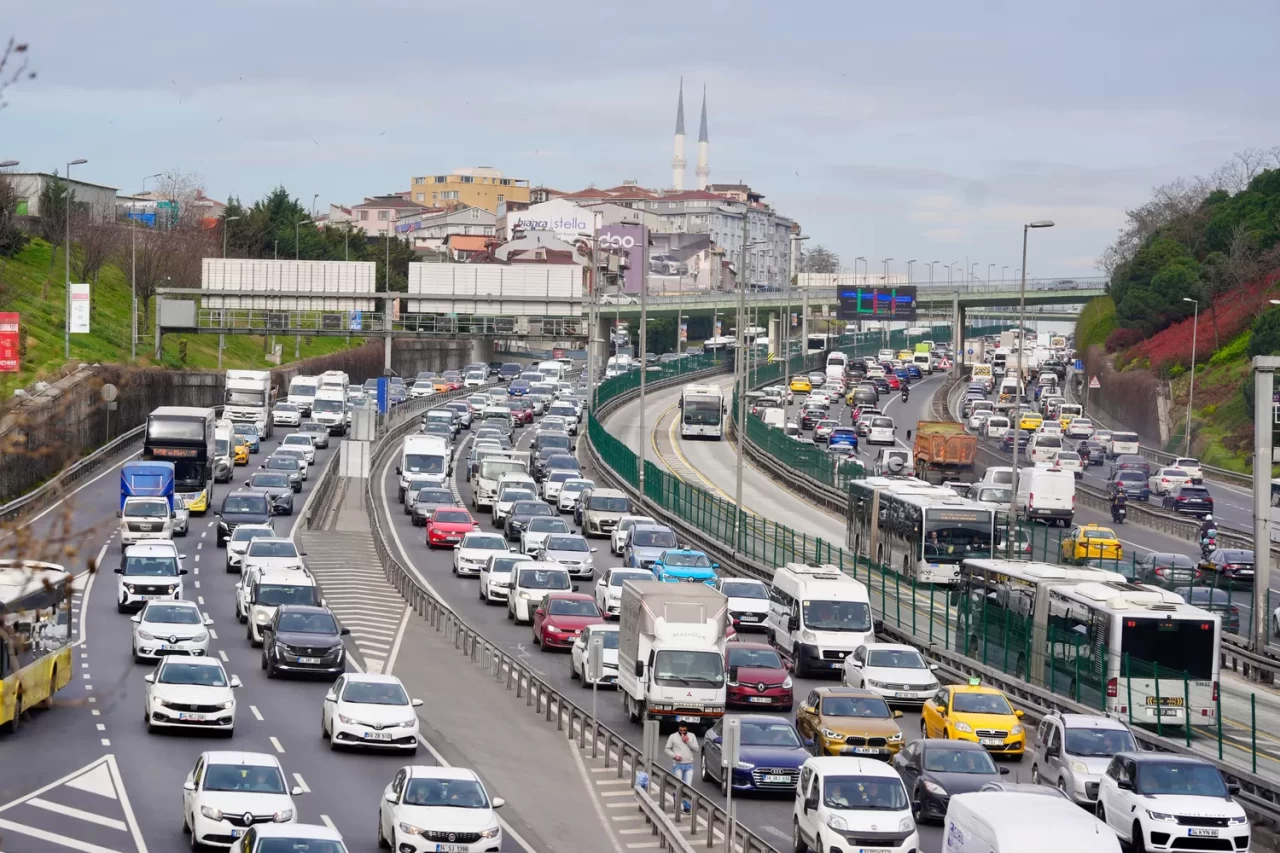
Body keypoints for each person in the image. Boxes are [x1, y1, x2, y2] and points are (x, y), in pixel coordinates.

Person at [664, 723, 700, 813]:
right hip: (678, 765)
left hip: (689, 765)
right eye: (680, 730)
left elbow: (696, 749)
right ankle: (677, 805)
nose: (682, 732)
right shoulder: (673, 737)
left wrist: (688, 742)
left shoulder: (692, 736)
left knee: (688, 787)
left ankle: (687, 806)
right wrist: (674, 756)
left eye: (684, 730)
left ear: (687, 729)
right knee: (679, 786)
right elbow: (667, 749)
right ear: (678, 729)